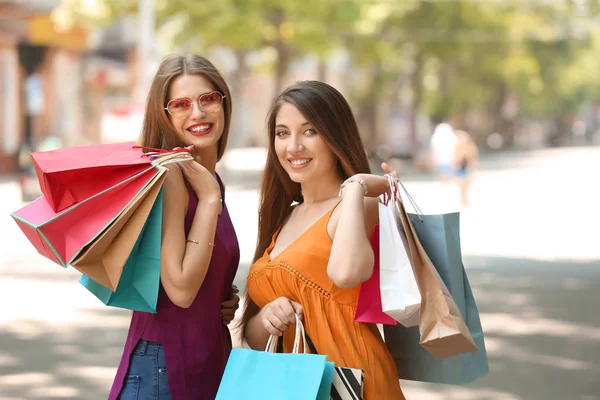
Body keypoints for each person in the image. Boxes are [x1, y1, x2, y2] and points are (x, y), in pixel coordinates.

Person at [239, 81, 405, 399]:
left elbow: (346, 273)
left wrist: (355, 187)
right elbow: (257, 340)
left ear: (335, 137)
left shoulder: (356, 206)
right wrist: (268, 316)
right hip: (295, 386)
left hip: (353, 383)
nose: (294, 146)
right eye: (282, 133)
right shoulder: (283, 216)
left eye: (310, 131)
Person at [109, 54, 241, 400]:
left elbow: (199, 272)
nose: (198, 113)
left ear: (224, 102)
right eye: (181, 105)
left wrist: (223, 297)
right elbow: (181, 290)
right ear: (164, 116)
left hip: (206, 357)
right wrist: (210, 200)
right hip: (165, 367)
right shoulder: (172, 178)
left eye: (208, 99)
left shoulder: (208, 179)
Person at [454, 129, 479, 206]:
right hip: (461, 167)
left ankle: (464, 200)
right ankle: (464, 200)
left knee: (465, 184)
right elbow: (456, 158)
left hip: (465, 167)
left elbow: (472, 156)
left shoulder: (468, 146)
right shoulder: (459, 146)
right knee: (462, 185)